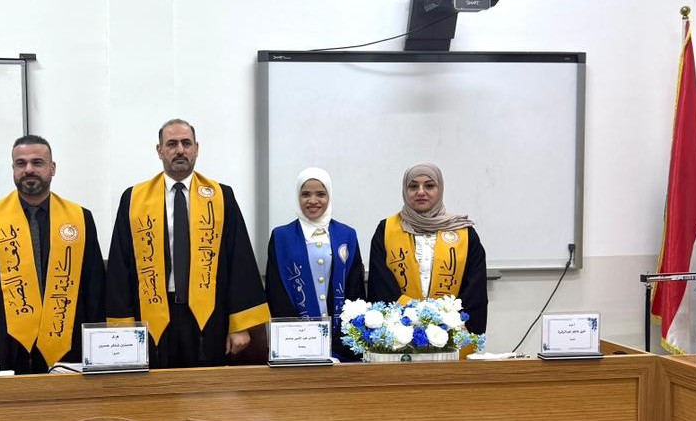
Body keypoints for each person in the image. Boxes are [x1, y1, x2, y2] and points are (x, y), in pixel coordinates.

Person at [106, 119, 270, 368]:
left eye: (186, 143)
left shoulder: (221, 196)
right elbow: (121, 266)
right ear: (159, 150)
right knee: (156, 387)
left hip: (210, 316)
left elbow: (239, 260)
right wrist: (123, 328)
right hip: (152, 314)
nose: (180, 150)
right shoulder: (134, 199)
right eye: (172, 144)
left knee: (207, 387)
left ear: (196, 148)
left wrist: (239, 325)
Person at [0, 135, 105, 373]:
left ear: (52, 168)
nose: (28, 169)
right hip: (7, 344)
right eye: (21, 163)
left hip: (68, 343)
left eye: (37, 162)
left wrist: (96, 347)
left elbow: (94, 288)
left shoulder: (80, 218)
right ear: (13, 169)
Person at [367, 162, 487, 334]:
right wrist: (409, 317)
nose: (421, 192)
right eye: (413, 186)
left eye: (429, 186)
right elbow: (380, 283)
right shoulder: (386, 229)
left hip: (450, 332)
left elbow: (475, 289)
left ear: (440, 189)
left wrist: (448, 321)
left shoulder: (464, 233)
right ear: (405, 190)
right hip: (399, 332)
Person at [265, 167, 365, 361]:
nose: (312, 201)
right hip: (297, 340)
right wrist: (294, 336)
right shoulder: (281, 236)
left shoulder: (347, 235)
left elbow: (355, 289)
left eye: (320, 194)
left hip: (341, 339)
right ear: (297, 197)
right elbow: (276, 290)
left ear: (329, 196)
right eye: (305, 194)